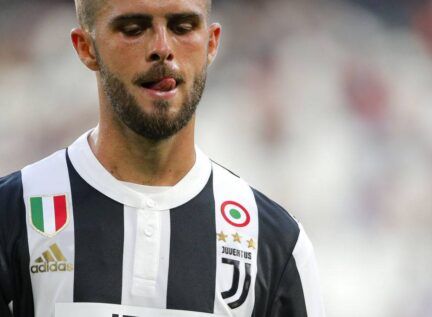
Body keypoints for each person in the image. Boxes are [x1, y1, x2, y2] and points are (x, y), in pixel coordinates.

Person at [0, 0, 325, 316]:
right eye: (133, 28)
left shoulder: (274, 244)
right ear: (86, 48)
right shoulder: (12, 215)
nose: (162, 47)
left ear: (211, 44)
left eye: (182, 27)